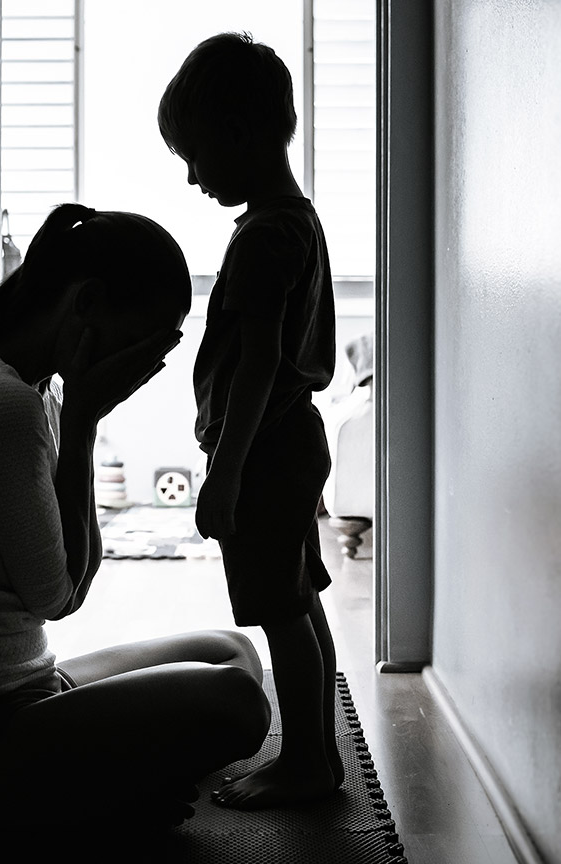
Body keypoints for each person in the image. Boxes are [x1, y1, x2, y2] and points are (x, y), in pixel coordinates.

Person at [0, 204, 271, 843]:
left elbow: (59, 582)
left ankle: (88, 787)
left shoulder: (17, 387)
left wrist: (77, 417)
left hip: (23, 693)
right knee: (237, 704)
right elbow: (59, 595)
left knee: (235, 655)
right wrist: (82, 425)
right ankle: (82, 805)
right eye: (148, 337)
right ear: (87, 303)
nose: (146, 363)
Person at [158, 33, 341, 809]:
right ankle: (318, 753)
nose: (194, 176)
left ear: (238, 134)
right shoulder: (293, 221)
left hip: (265, 449)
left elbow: (260, 364)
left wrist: (225, 473)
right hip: (290, 440)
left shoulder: (267, 237)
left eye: (195, 154)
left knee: (278, 610)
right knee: (299, 603)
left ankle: (303, 762)